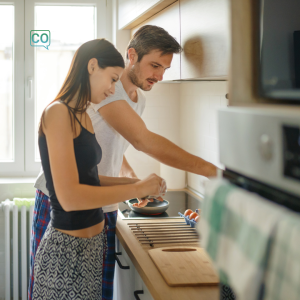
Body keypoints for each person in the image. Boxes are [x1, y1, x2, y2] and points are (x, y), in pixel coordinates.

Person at [29, 25, 218, 300]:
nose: (159, 75)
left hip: (100, 201)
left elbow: (104, 151)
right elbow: (142, 140)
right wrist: (211, 171)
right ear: (131, 56)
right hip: (61, 199)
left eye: (165, 69)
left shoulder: (131, 99)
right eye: (155, 65)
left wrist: (132, 178)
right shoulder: (103, 95)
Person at [31, 38, 166, 300]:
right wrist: (139, 187)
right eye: (113, 79)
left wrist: (134, 185)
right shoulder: (58, 113)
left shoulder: (82, 115)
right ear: (92, 66)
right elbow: (70, 198)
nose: (113, 88)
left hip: (92, 247)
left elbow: (90, 180)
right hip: (65, 252)